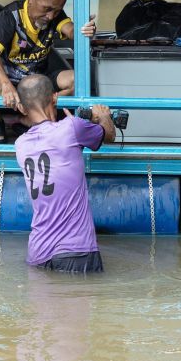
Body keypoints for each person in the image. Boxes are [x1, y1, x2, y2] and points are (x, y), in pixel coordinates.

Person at [13, 73, 115, 274]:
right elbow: (109, 135)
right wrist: (103, 117)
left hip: (37, 252)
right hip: (75, 251)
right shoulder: (72, 127)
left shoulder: (20, 145)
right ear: (55, 98)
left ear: (22, 108)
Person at [0, 0, 96, 143]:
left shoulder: (55, 16)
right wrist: (5, 84)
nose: (50, 16)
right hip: (10, 78)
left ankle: (29, 119)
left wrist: (84, 29)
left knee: (77, 80)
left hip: (38, 80)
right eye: (47, 9)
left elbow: (71, 30)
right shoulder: (10, 16)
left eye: (56, 11)